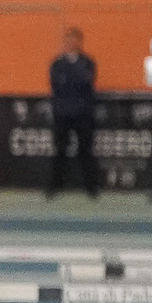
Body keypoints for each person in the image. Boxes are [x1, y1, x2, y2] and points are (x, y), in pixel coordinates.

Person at [49, 25, 100, 199]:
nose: (71, 42)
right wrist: (73, 79)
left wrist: (70, 78)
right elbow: (56, 84)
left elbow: (86, 82)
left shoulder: (88, 63)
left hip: (83, 114)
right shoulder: (57, 63)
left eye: (75, 39)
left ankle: (91, 188)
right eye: (68, 39)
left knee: (85, 151)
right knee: (60, 150)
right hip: (62, 114)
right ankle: (55, 186)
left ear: (80, 42)